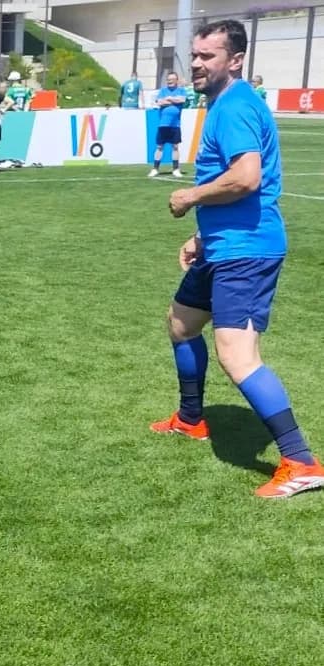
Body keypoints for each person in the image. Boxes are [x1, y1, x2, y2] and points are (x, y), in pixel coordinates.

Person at [160, 20, 324, 498]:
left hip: (247, 251)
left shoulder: (233, 106)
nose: (196, 63)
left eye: (208, 56)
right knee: (181, 323)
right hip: (224, 244)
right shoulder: (224, 103)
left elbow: (247, 177)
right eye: (194, 55)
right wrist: (201, 236)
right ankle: (191, 419)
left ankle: (301, 461)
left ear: (235, 61)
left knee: (237, 355)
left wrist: (190, 196)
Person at [149, 72, 187, 178]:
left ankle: (176, 169)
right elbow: (160, 102)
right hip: (163, 124)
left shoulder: (181, 90)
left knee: (175, 146)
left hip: (175, 125)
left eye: (172, 79)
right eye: (168, 79)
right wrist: (173, 100)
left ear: (176, 80)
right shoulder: (163, 91)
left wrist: (169, 99)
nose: (169, 81)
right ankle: (155, 169)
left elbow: (182, 100)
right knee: (159, 146)